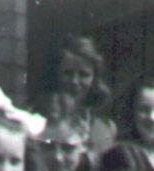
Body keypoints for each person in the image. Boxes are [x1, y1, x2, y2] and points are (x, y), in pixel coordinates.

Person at [47, 35, 117, 164]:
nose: (75, 81)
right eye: (68, 73)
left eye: (83, 74)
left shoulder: (106, 127)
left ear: (94, 79)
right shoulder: (41, 120)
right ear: (57, 74)